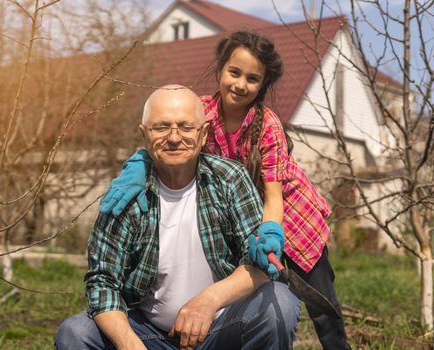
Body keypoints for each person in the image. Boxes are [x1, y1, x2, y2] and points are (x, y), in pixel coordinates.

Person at [100, 31, 351, 350]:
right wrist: (140, 162)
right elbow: (170, 135)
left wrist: (271, 230)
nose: (240, 84)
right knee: (253, 292)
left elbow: (274, 197)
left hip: (292, 219)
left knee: (322, 306)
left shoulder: (266, 124)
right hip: (244, 217)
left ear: (262, 85)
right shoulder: (201, 112)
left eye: (252, 79)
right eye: (234, 73)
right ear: (220, 70)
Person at [56, 85, 300, 350]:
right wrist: (130, 345)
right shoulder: (125, 195)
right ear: (144, 135)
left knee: (280, 302)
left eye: (185, 127)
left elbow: (261, 266)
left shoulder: (230, 179)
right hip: (151, 336)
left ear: (203, 133)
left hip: (221, 328)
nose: (174, 137)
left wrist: (208, 300)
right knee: (76, 332)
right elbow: (102, 282)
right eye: (161, 127)